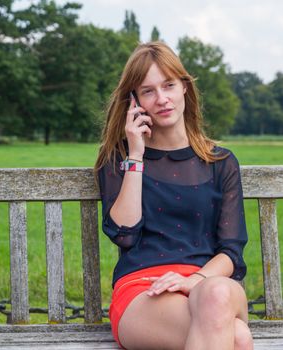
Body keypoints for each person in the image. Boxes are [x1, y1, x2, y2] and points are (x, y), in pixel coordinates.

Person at [95, 41, 252, 350]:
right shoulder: (119, 159)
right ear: (134, 100)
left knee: (217, 295)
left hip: (210, 282)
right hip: (145, 291)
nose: (162, 99)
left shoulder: (221, 163)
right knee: (238, 338)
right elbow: (125, 235)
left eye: (169, 85)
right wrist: (136, 156)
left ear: (185, 88)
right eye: (148, 90)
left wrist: (196, 280)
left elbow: (231, 252)